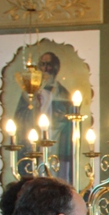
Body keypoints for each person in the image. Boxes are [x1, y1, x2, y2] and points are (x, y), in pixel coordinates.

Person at [14, 51, 75, 182]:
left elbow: (69, 119)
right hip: (34, 140)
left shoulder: (62, 92)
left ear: (55, 67)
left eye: (49, 65)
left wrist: (59, 119)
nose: (45, 68)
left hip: (55, 140)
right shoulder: (29, 93)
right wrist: (33, 110)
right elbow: (20, 116)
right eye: (42, 64)